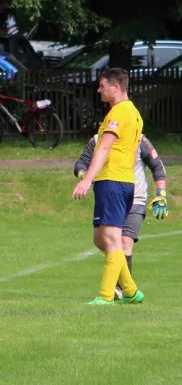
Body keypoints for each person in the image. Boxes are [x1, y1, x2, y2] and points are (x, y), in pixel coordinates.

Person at [72, 68, 145, 305]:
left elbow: (103, 148)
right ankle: (131, 290)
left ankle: (105, 297)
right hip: (122, 180)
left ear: (115, 87)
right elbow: (132, 155)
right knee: (100, 238)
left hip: (113, 181)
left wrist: (86, 179)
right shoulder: (134, 113)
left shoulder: (119, 113)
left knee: (111, 237)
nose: (99, 90)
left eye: (102, 85)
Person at [74, 133, 168, 299]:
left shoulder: (139, 139)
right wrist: (85, 178)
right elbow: (80, 164)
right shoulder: (98, 139)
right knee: (100, 240)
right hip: (109, 198)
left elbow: (157, 167)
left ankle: (119, 290)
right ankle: (129, 287)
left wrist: (161, 194)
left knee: (124, 241)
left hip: (135, 199)